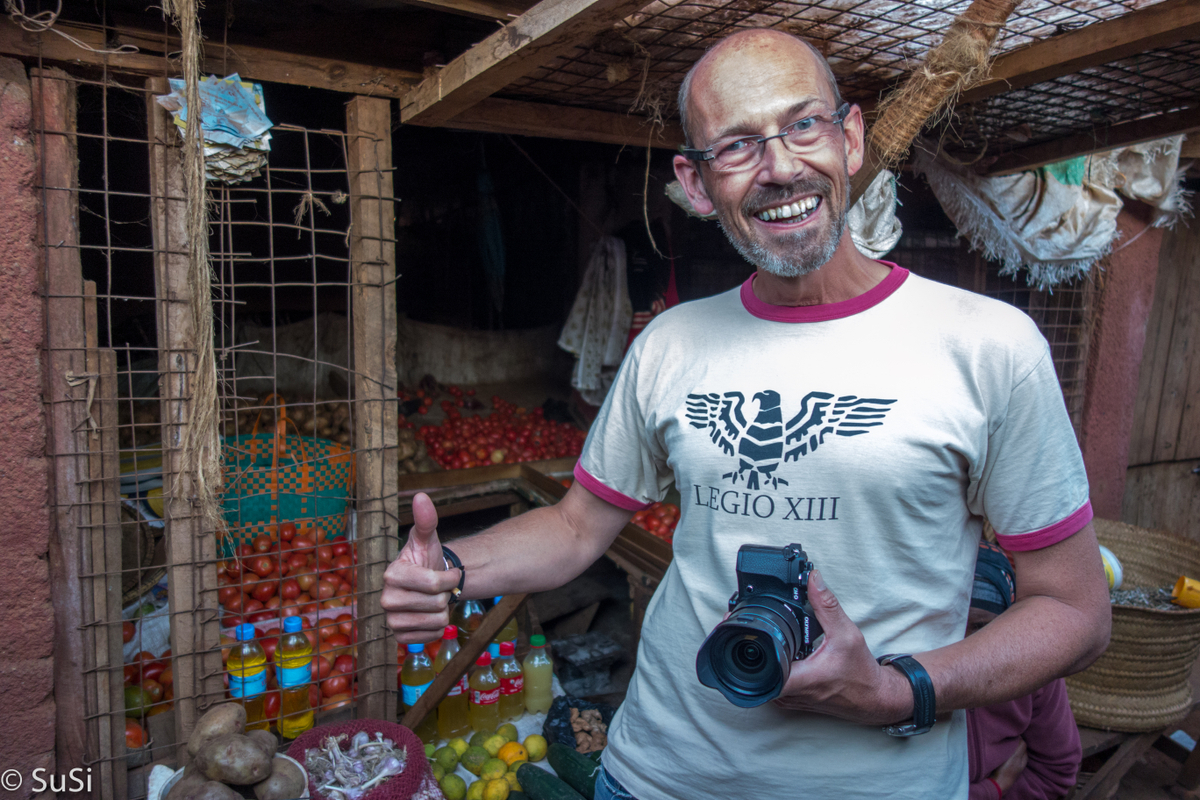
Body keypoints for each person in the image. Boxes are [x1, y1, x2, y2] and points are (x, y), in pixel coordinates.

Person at [382, 29, 1111, 799]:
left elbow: (1074, 610)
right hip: (654, 775)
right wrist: (453, 570)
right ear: (696, 185)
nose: (781, 167)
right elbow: (573, 529)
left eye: (804, 124)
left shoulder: (989, 347)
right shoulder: (671, 343)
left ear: (851, 138)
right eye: (735, 146)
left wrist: (898, 691)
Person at [967, 542, 1081, 800]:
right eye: (949, 625)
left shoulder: (1031, 668)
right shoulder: (903, 678)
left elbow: (1057, 767)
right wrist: (992, 790)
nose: (963, 644)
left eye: (979, 625)